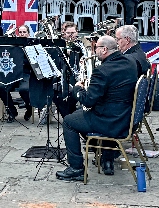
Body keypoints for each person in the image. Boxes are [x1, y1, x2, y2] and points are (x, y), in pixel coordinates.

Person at [56, 35, 138, 181]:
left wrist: (77, 89)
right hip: (125, 116)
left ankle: (76, 169)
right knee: (78, 115)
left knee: (69, 121)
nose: (94, 51)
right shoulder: (130, 62)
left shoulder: (102, 71)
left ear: (105, 49)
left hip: (110, 121)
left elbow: (87, 101)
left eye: (96, 48)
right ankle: (97, 151)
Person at [0, 25, 32, 122]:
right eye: (20, 32)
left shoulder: (31, 45)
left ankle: (29, 108)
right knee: (1, 88)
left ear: (28, 34)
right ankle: (12, 111)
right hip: (11, 73)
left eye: (24, 32)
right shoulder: (13, 45)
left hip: (25, 73)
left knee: (24, 90)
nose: (22, 34)